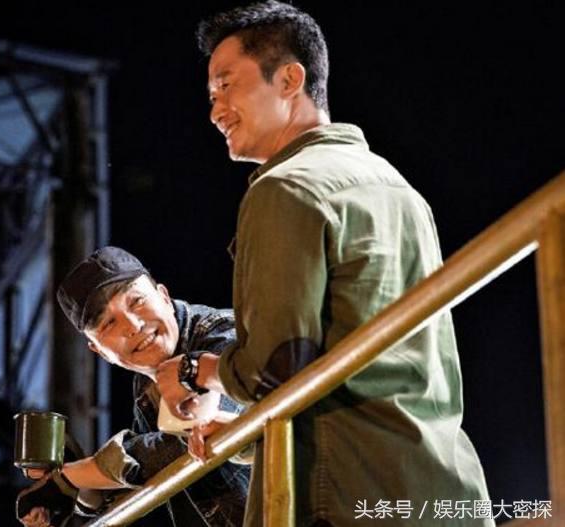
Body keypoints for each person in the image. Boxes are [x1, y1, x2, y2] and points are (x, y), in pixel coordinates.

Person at [155, 2, 494, 526]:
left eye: (226, 86)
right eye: (211, 95)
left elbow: (274, 368)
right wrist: (252, 439)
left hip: (345, 496)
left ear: (290, 79)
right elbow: (370, 366)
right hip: (440, 486)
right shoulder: (397, 186)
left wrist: (204, 371)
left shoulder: (285, 187)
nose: (215, 111)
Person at [18, 246, 249, 527]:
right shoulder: (147, 386)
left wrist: (76, 475)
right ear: (99, 351)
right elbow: (141, 474)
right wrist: (75, 494)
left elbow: (201, 432)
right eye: (108, 324)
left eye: (137, 301)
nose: (133, 325)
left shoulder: (226, 335)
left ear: (164, 296)